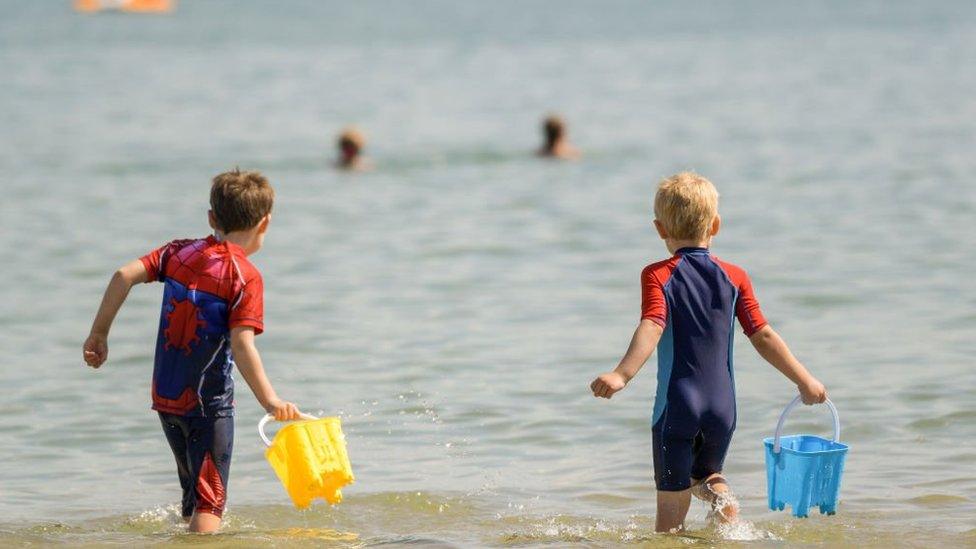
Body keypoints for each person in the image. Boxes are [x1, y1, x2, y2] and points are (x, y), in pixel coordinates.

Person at [589, 172, 827, 533]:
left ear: (659, 229)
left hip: (678, 406)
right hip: (723, 409)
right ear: (715, 225)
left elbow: (653, 324)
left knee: (670, 521)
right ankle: (725, 510)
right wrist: (804, 379)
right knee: (708, 476)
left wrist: (621, 375)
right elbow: (762, 334)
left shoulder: (658, 275)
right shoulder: (735, 276)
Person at [82, 169, 302, 533]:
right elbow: (243, 344)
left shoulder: (177, 252)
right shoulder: (244, 276)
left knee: (193, 497)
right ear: (265, 224)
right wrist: (270, 400)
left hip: (166, 398)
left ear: (212, 218)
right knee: (210, 504)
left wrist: (99, 333)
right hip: (208, 405)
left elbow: (123, 275)